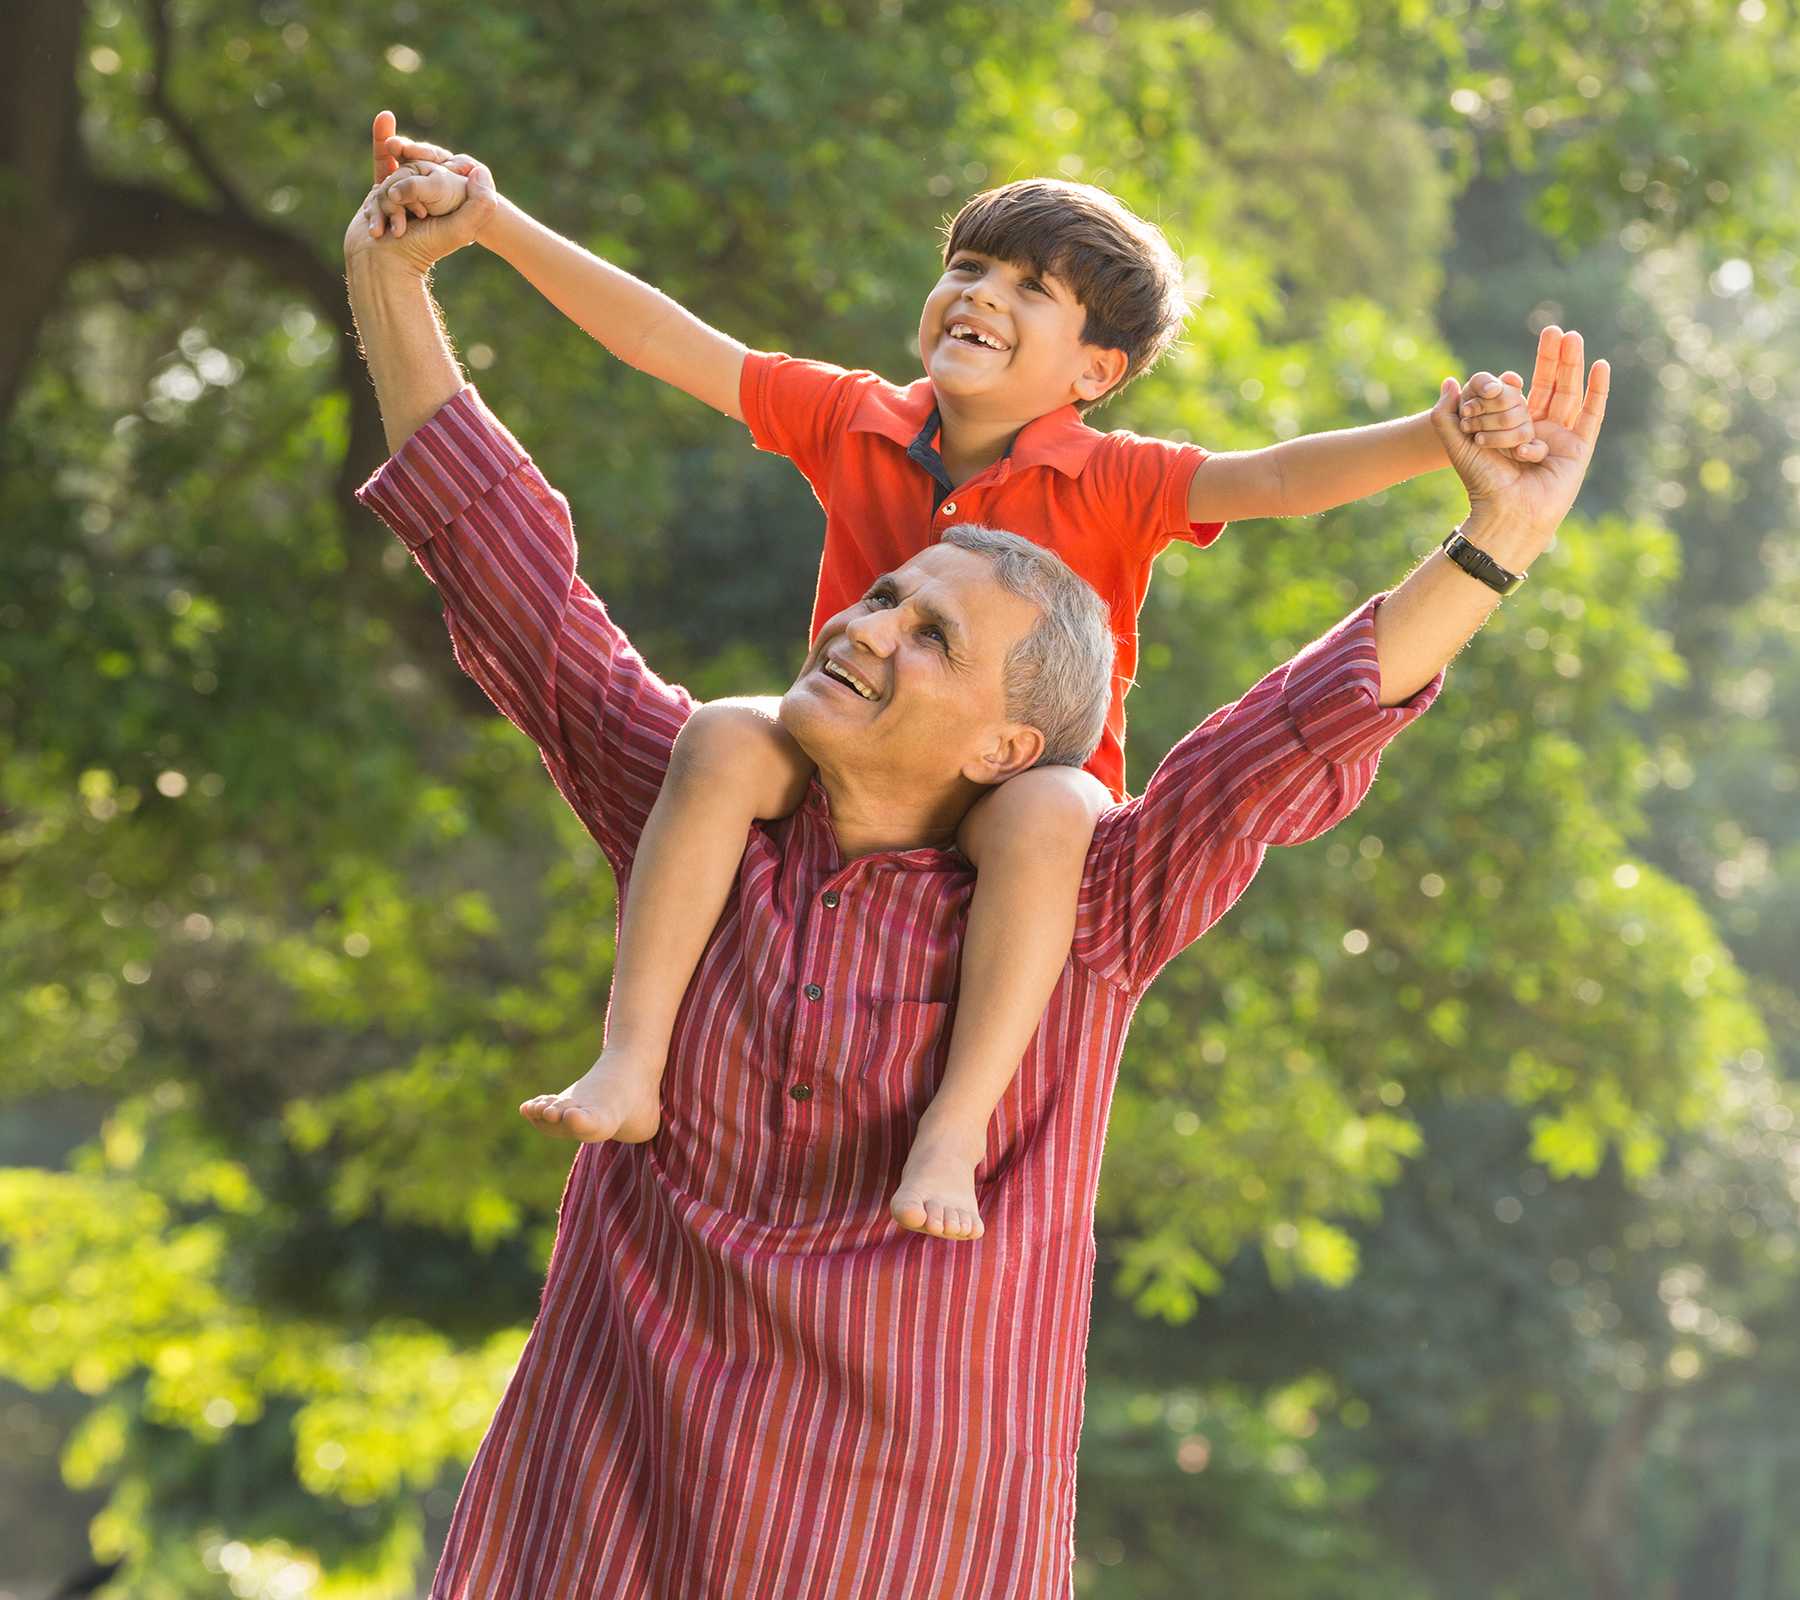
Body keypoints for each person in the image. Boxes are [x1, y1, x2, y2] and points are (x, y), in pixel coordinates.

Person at [346, 119, 1607, 1598]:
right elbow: (509, 565)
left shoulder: (1084, 903)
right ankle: (631, 1065)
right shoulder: (708, 815)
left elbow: (1286, 727)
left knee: (1057, 829)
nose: (866, 626)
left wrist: (1486, 533)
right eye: (882, 596)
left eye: (928, 634)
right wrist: (405, 274)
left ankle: (950, 1125)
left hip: (905, 1546)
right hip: (607, 1534)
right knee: (724, 736)